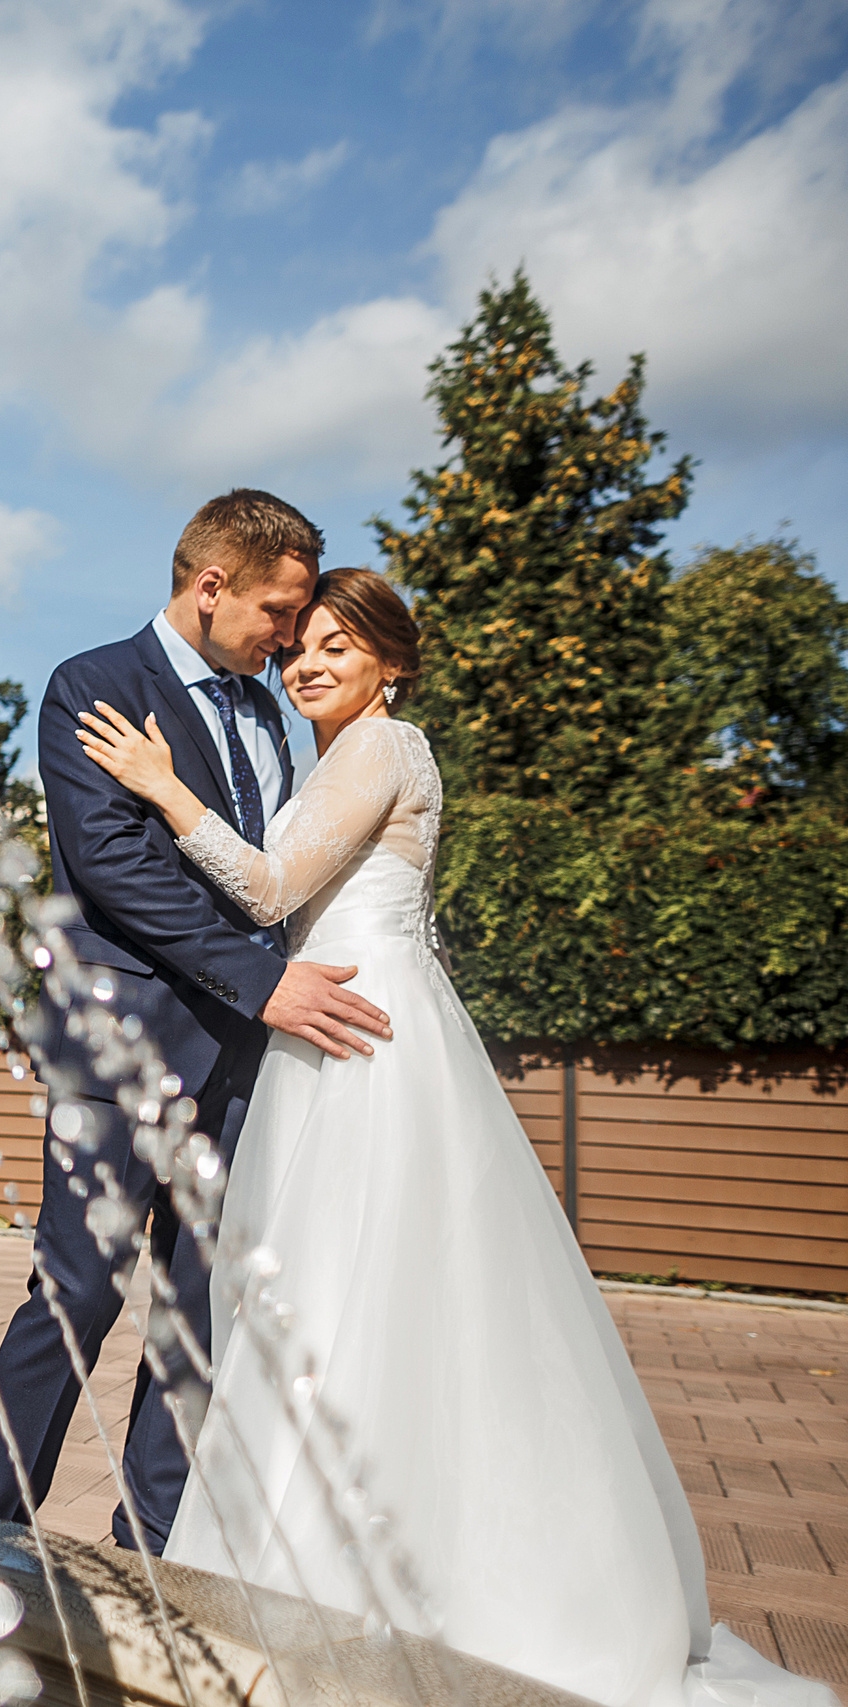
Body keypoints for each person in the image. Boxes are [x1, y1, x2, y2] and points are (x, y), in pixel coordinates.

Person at [77, 569, 837, 1707]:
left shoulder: (384, 748)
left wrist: (163, 787)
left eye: (338, 645)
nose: (308, 664)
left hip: (359, 1037)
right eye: (299, 650)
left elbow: (277, 886)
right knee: (352, 1293)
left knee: (350, 1289)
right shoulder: (341, 758)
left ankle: (354, 1578)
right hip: (340, 1025)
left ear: (393, 662)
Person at [0, 490, 391, 1553]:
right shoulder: (93, 686)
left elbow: (269, 875)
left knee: (198, 1310)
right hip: (122, 1045)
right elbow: (113, 871)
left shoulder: (270, 711)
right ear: (211, 587)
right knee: (74, 1295)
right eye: (277, 610)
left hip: (246, 1060)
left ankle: (150, 1537)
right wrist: (260, 982)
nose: (290, 636)